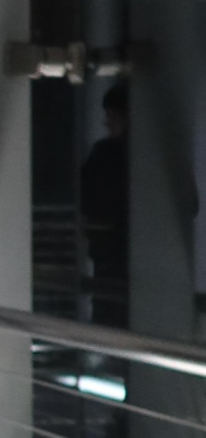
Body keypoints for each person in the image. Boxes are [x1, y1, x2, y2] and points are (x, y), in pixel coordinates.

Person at [80, 80, 130, 327]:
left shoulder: (105, 156)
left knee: (109, 318)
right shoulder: (154, 160)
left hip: (109, 258)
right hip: (118, 258)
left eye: (112, 115)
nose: (107, 122)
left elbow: (86, 198)